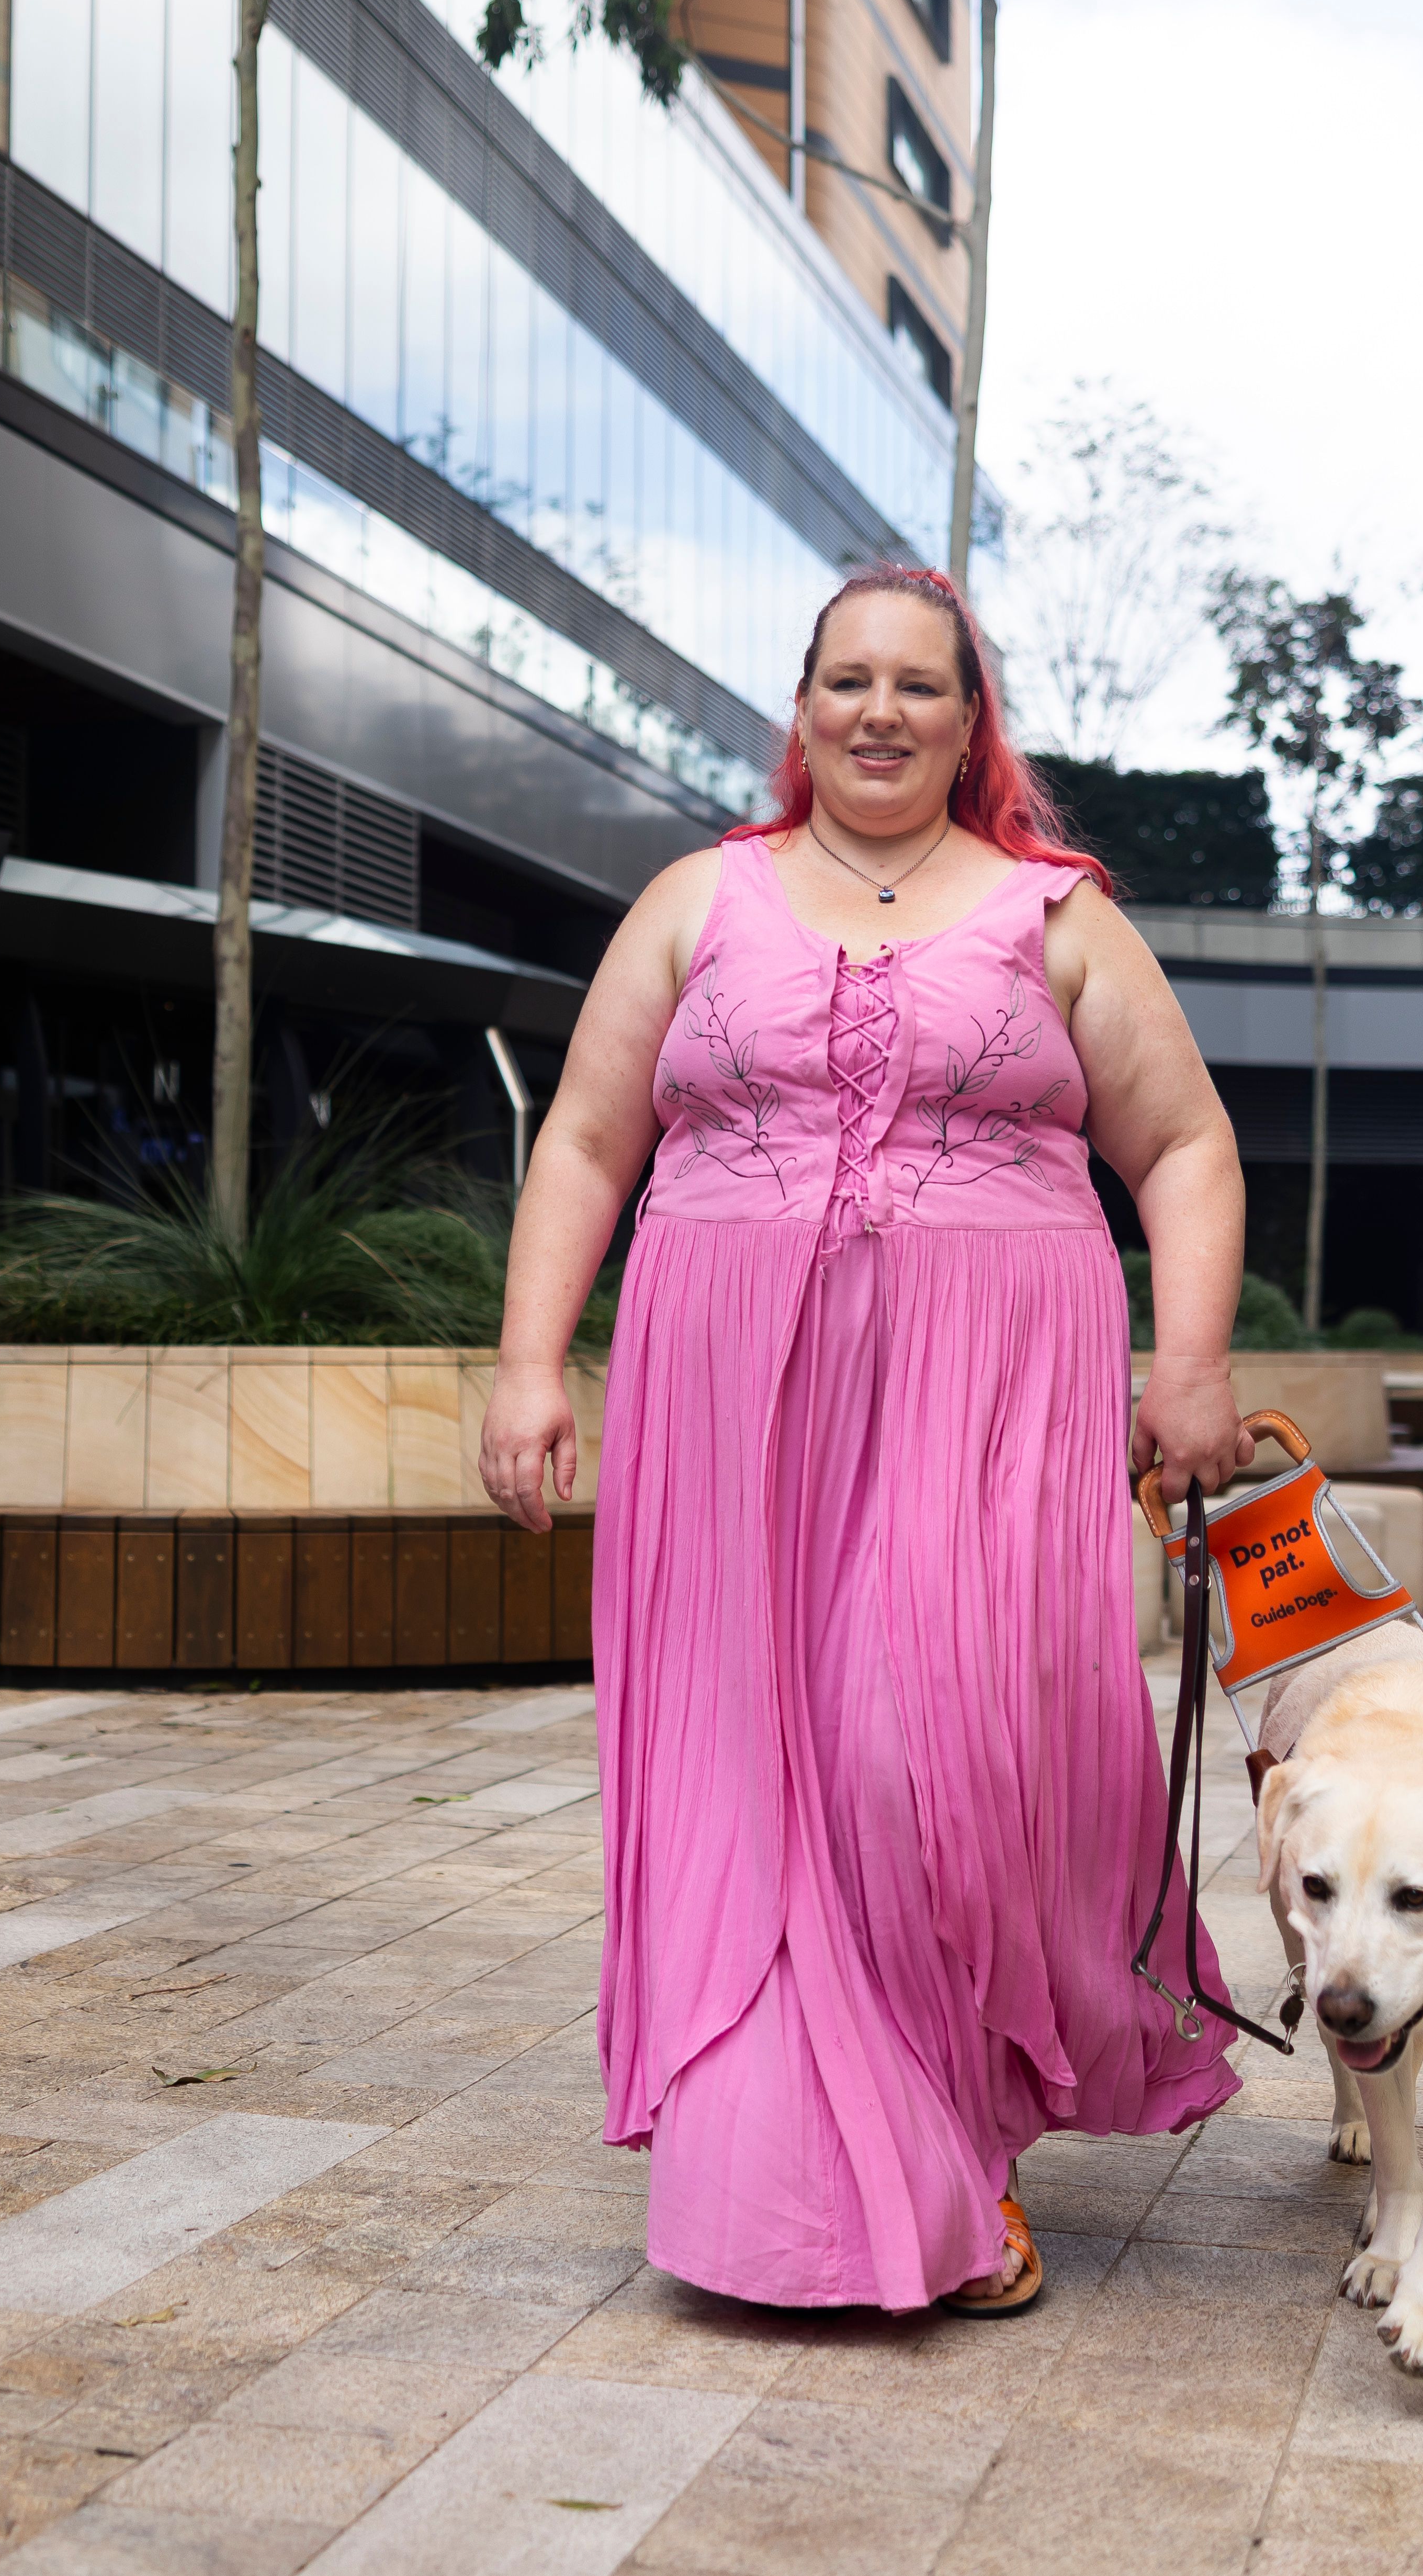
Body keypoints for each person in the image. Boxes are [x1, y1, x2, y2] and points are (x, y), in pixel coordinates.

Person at [480, 564, 1256, 2319]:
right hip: (724, 1389)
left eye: (921, 684)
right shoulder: (701, 899)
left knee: (934, 1756)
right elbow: (592, 1141)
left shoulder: (1056, 914)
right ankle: (856, 2182)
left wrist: (1190, 1363)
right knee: (759, 1777)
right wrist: (534, 1362)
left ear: (972, 719)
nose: (881, 712)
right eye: (849, 680)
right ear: (803, 705)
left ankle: (956, 2112)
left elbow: (1188, 1145)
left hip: (987, 1395)